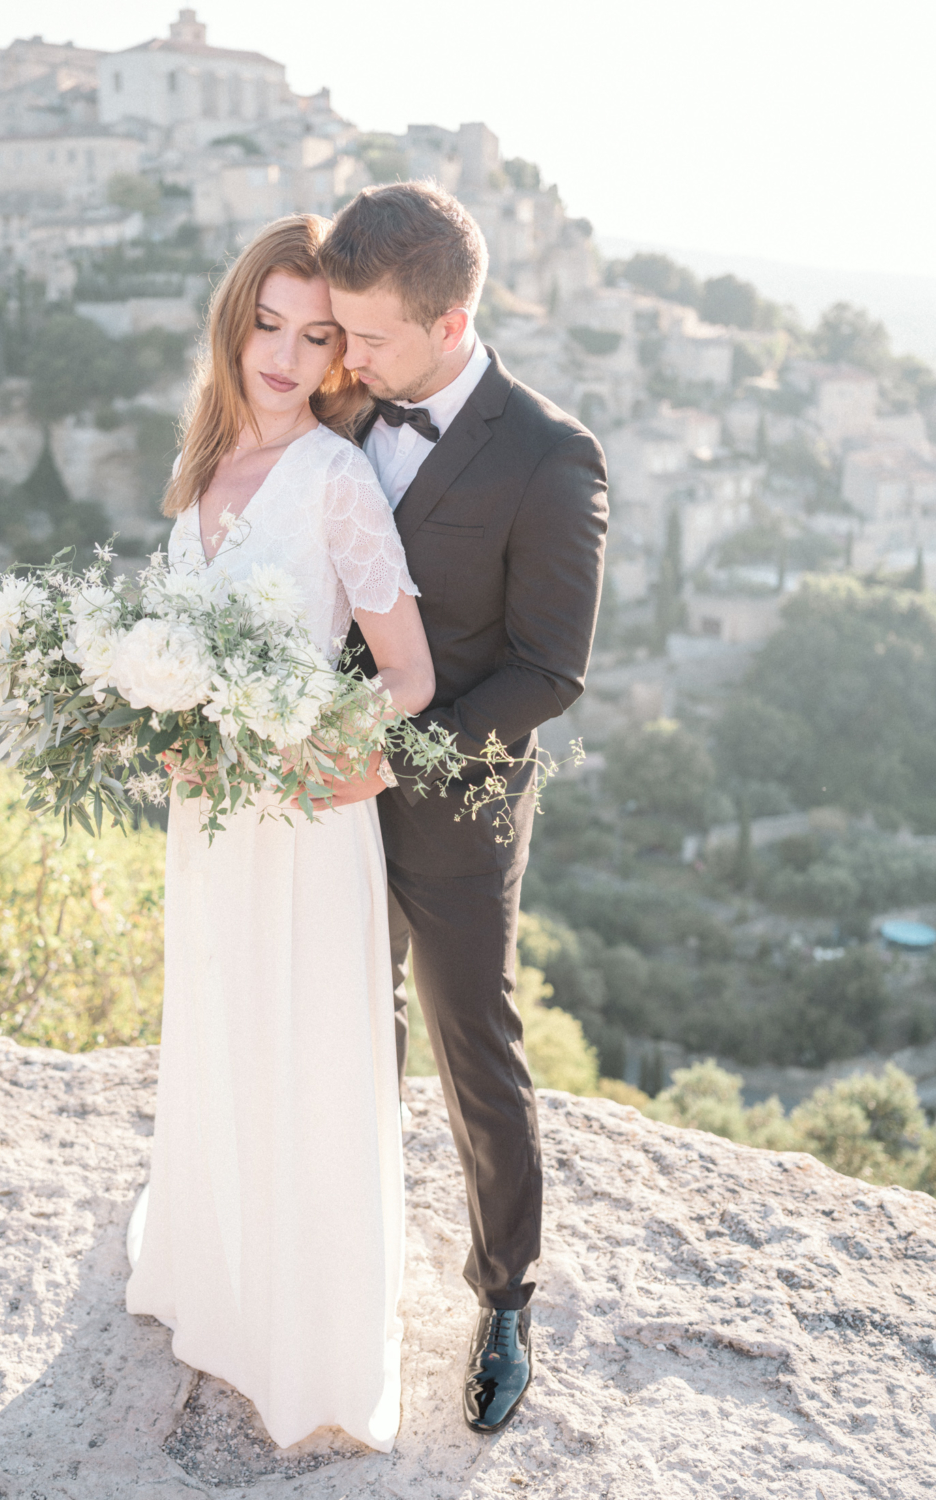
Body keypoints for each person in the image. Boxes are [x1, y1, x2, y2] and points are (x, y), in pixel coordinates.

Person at [124, 214, 434, 1453]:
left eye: (316, 337)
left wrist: (327, 745)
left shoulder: (335, 480)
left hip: (299, 821)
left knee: (300, 1055)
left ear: (339, 361)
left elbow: (404, 671)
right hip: (206, 821)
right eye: (267, 323)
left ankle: (304, 1337)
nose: (285, 354)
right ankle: (217, 1281)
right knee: (215, 1031)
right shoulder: (201, 469)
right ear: (233, 318)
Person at [318, 182, 608, 1434]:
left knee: (469, 1042)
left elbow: (549, 669)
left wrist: (399, 756)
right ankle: (342, 1256)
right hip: (314, 784)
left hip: (457, 798)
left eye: (370, 337)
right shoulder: (340, 393)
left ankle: (503, 1296)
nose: (345, 356)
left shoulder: (551, 453)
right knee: (339, 1016)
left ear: (450, 323)